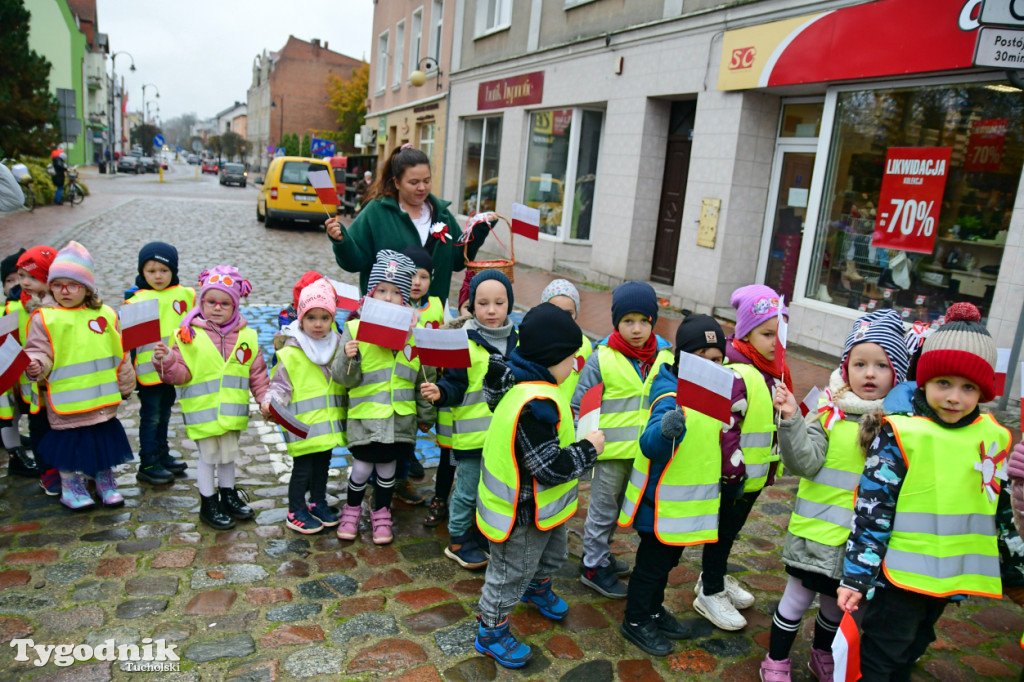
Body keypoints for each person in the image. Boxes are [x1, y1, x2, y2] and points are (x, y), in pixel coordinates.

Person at [838, 302, 1010, 680]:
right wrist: (857, 576)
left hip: (948, 575)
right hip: (901, 575)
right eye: (943, 383)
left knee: (917, 642)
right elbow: (872, 509)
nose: (954, 398)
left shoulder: (993, 435)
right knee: (884, 650)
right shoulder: (901, 433)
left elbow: (995, 505)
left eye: (968, 388)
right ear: (924, 380)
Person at [764, 309, 909, 681]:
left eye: (881, 365)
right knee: (796, 600)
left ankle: (822, 654)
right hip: (815, 533)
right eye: (860, 364)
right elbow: (804, 463)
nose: (870, 373)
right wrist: (793, 420)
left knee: (835, 606)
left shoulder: (903, 428)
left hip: (858, 545)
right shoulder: (830, 414)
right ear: (846, 369)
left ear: (898, 373)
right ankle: (776, 660)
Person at [474, 302, 603, 668]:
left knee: (551, 556)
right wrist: (587, 449)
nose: (576, 365)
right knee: (510, 573)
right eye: (570, 358)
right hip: (521, 514)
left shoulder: (532, 382)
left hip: (546, 508)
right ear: (551, 358)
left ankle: (538, 586)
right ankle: (491, 629)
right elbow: (548, 466)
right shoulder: (535, 405)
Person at [617, 314, 727, 656]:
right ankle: (635, 619)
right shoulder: (669, 396)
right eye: (702, 359)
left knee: (667, 565)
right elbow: (650, 445)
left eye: (717, 360)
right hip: (659, 505)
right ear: (683, 359)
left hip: (686, 506)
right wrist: (668, 428)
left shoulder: (714, 393)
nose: (712, 366)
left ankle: (652, 609)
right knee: (651, 567)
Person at [694, 284, 787, 631]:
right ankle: (711, 591)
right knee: (722, 531)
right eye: (766, 333)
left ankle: (711, 577)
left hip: (756, 474)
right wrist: (733, 473)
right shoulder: (739, 371)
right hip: (736, 476)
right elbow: (727, 426)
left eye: (780, 334)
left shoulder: (772, 370)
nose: (775, 342)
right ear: (746, 333)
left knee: (732, 532)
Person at [573, 281, 673, 598]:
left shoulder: (664, 356)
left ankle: (601, 556)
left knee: (622, 510)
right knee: (603, 509)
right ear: (616, 322)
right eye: (628, 321)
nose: (637, 328)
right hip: (610, 453)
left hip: (645, 452)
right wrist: (586, 444)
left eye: (644, 320)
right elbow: (580, 404)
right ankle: (592, 564)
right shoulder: (602, 358)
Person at [331, 250, 436, 545]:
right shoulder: (355, 329)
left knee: (388, 469)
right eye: (382, 291)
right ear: (371, 294)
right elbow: (343, 378)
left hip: (398, 420)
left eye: (395, 292)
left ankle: (381, 511)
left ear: (405, 298)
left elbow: (423, 378)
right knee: (362, 467)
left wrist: (426, 415)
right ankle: (352, 509)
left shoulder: (415, 334)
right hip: (366, 418)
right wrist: (350, 357)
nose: (388, 298)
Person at [153, 266, 268, 530]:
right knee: (208, 457)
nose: (217, 308)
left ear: (235, 305)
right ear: (201, 302)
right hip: (203, 412)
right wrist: (167, 361)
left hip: (231, 413)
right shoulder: (188, 336)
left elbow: (257, 374)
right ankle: (208, 502)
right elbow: (180, 374)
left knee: (228, 456)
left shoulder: (247, 337)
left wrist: (264, 399)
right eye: (211, 301)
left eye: (225, 303)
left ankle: (228, 495)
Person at [23, 242, 135, 509]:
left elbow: (120, 352)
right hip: (67, 399)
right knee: (69, 445)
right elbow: (39, 351)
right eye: (58, 285)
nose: (65, 291)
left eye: (72, 285)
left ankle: (104, 480)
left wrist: (125, 383)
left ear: (86, 287)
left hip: (101, 397)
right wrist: (37, 366)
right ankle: (71, 486)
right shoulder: (45, 318)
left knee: (101, 441)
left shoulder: (105, 314)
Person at [421, 270, 518, 569]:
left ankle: (482, 532)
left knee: (493, 489)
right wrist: (441, 392)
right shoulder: (461, 340)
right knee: (467, 489)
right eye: (483, 303)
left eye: (499, 303)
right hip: (473, 436)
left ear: (508, 305)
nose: (491, 310)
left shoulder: (517, 341)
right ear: (471, 306)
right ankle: (459, 539)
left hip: (505, 437)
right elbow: (454, 383)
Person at [325, 144, 492, 302]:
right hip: (388, 316)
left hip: (431, 317)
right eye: (414, 182)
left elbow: (457, 261)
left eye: (427, 181)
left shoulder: (442, 214)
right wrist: (341, 241)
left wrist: (479, 230)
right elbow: (354, 262)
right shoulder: (376, 212)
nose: (422, 187)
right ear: (397, 182)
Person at [262, 278, 345, 535]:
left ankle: (317, 501)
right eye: (311, 318)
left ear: (332, 319)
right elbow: (280, 385)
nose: (318, 324)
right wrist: (270, 402)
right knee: (303, 469)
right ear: (300, 319)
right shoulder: (291, 352)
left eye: (324, 317)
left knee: (323, 465)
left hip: (327, 424)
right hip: (302, 426)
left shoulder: (338, 345)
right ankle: (295, 510)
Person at [126, 242, 195, 485]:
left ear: (173, 271)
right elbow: (129, 343)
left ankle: (162, 454)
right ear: (142, 272)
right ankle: (148, 461)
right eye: (151, 271)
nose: (158, 276)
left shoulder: (185, 295)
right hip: (148, 373)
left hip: (172, 369)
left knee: (165, 414)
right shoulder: (137, 301)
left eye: (164, 270)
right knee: (151, 416)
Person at [15, 246, 59, 492]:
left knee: (59, 428)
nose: (25, 282)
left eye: (33, 277)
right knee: (39, 426)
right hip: (32, 382)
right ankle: (48, 471)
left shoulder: (58, 306)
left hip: (55, 381)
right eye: (22, 276)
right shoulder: (18, 307)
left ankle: (65, 469)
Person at [0, 248, 38, 477]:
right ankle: (14, 453)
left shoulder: (35, 306)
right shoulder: (5, 310)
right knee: (9, 413)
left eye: (23, 278)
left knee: (32, 410)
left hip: (30, 371)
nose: (17, 284)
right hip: (8, 374)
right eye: (9, 280)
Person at [541, 279, 592, 405]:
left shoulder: (584, 345)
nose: (562, 318)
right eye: (555, 310)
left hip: (570, 417)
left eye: (568, 313)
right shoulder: (534, 342)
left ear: (576, 314)